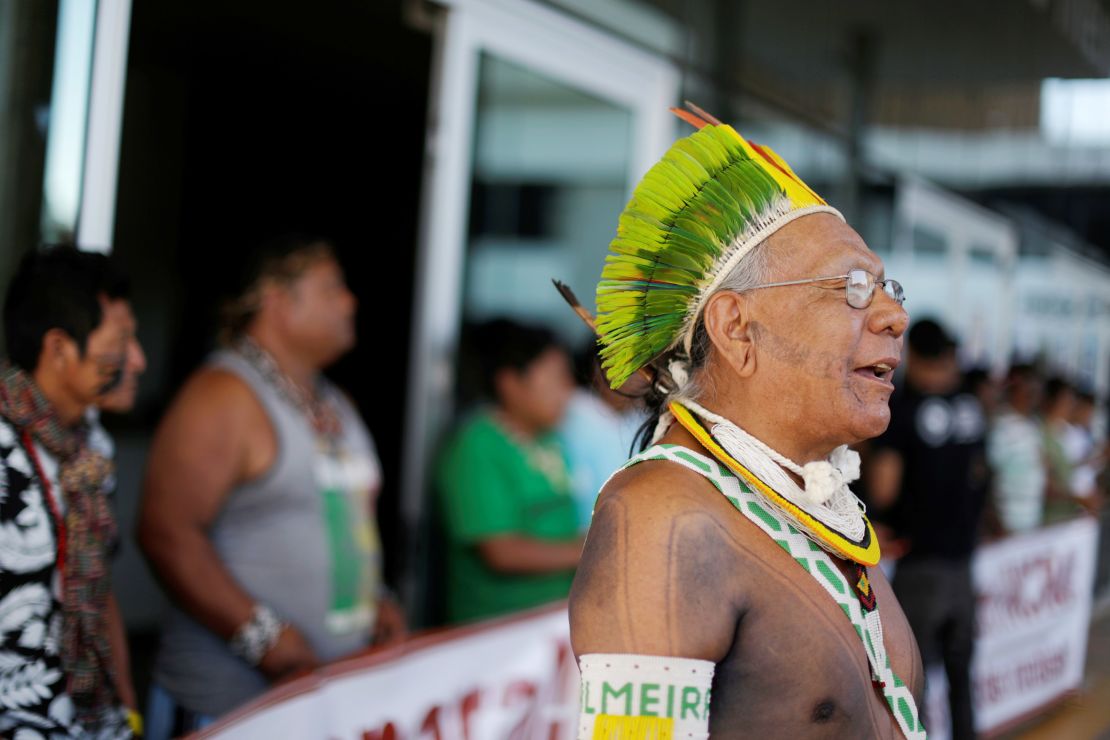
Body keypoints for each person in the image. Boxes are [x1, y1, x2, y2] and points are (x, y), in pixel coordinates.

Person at [569, 107, 923, 738]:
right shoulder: (663, 518)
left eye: (887, 286)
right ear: (735, 328)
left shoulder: (813, 497)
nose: (894, 315)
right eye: (853, 287)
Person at [138, 235, 404, 734]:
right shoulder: (223, 395)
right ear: (277, 301)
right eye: (331, 289)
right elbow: (167, 534)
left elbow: (346, 522)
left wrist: (378, 597)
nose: (350, 301)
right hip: (232, 713)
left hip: (322, 704)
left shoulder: (336, 401)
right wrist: (263, 639)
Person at [0, 246, 139, 737]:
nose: (136, 359)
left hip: (90, 723)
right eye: (121, 341)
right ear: (59, 348)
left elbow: (101, 594)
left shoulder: (89, 451)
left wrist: (128, 712)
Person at [867, 319, 989, 740]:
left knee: (912, 686)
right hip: (964, 563)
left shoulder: (904, 409)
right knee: (961, 680)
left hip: (919, 566)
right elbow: (981, 473)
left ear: (912, 354)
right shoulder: (970, 405)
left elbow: (884, 487)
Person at [436, 318, 581, 624]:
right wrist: (592, 552)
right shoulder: (477, 446)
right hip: (498, 637)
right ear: (511, 383)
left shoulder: (549, 439)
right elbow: (502, 552)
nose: (568, 391)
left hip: (551, 624)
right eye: (558, 378)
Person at [560, 341, 648, 529]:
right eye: (627, 367)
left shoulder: (640, 417)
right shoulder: (572, 412)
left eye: (641, 366)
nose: (638, 377)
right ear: (598, 371)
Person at [987, 364, 1047, 534]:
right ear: (1013, 388)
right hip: (1006, 528)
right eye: (1027, 385)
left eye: (1036, 386)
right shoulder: (1000, 427)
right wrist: (997, 525)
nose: (1033, 391)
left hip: (1031, 523)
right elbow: (987, 479)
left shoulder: (1034, 425)